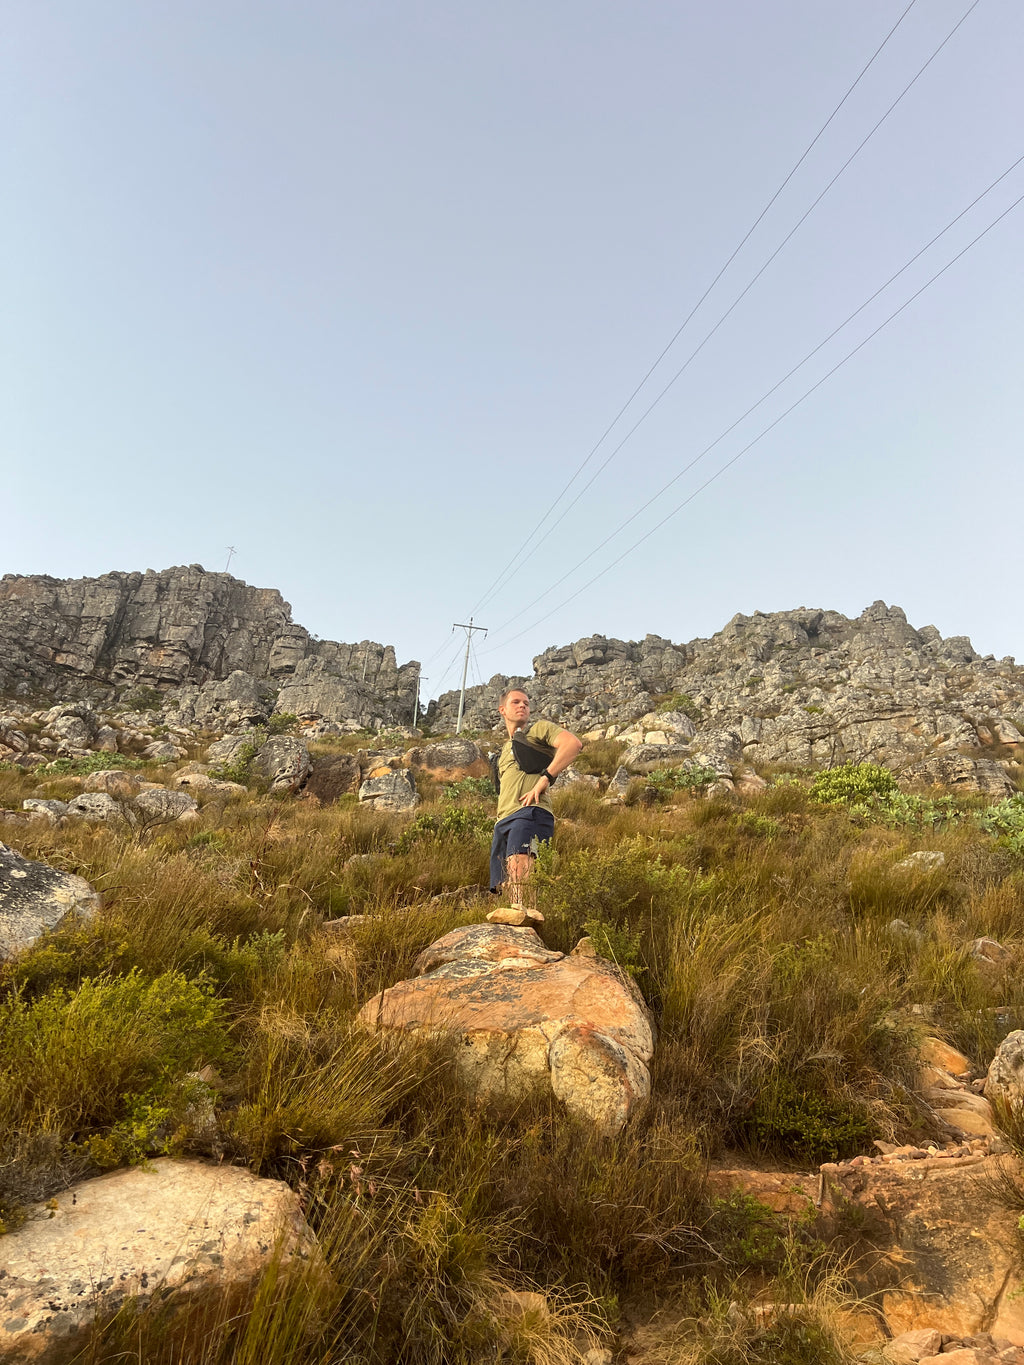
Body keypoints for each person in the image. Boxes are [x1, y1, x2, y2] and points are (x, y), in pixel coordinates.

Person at [487, 686, 582, 927]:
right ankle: (518, 923)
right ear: (502, 710)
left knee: (521, 863)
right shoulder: (502, 751)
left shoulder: (538, 730)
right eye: (516, 702)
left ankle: (526, 922)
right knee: (508, 878)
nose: (522, 706)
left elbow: (572, 744)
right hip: (504, 818)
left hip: (531, 810)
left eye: (526, 703)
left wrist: (545, 778)